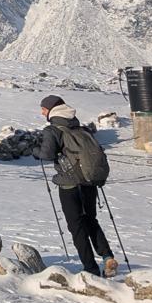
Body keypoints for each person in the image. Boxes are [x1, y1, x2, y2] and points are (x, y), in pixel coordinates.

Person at [36, 94, 117, 277]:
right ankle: (107, 257)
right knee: (90, 219)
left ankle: (90, 269)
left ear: (51, 110)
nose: (42, 112)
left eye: (43, 109)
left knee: (76, 226)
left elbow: (47, 154)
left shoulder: (53, 129)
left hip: (69, 185)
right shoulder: (80, 127)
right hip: (89, 181)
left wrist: (35, 150)